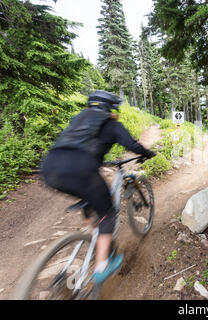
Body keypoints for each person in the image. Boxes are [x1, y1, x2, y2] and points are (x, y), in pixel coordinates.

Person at [41, 90, 156, 284]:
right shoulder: (112, 124)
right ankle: (102, 265)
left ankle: (94, 234)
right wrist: (147, 153)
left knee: (89, 197)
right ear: (111, 108)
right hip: (81, 170)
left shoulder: (78, 118)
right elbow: (132, 145)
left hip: (49, 168)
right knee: (107, 212)